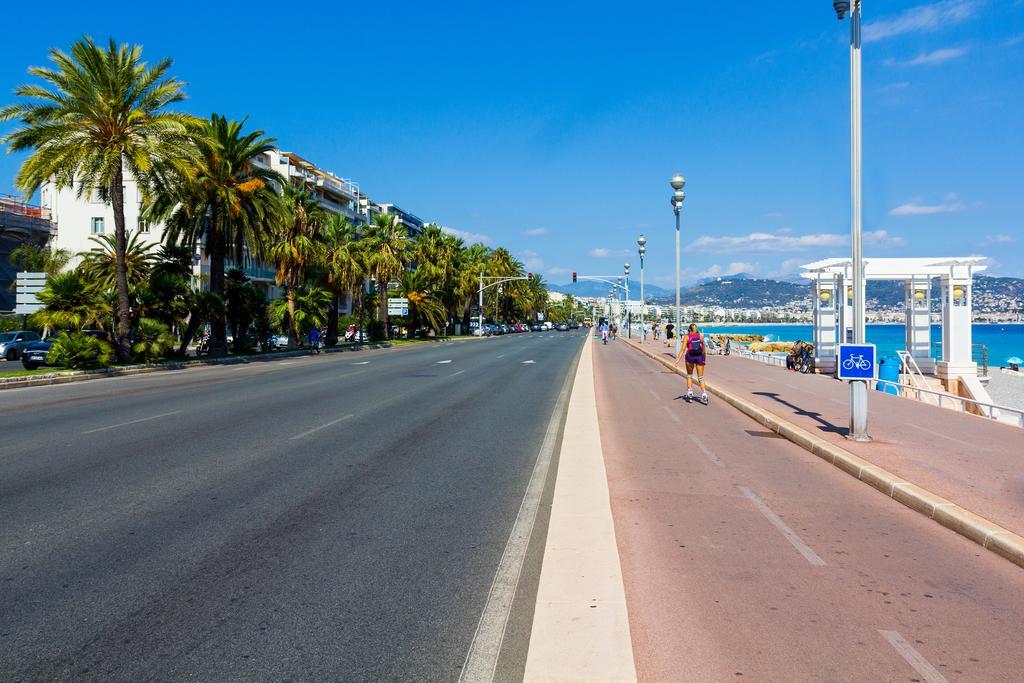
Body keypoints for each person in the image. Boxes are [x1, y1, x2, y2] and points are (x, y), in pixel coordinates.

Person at [675, 323, 708, 405]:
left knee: (689, 375)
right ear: (696, 329)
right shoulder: (701, 336)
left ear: (689, 329)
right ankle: (704, 394)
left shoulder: (687, 337)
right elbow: (704, 349)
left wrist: (677, 360)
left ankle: (690, 393)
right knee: (700, 377)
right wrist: (703, 359)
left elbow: (682, 350)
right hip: (700, 357)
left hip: (690, 356)